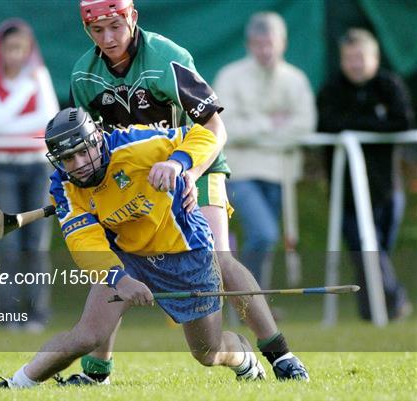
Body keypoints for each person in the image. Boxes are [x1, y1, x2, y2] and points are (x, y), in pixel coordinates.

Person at [63, 0, 308, 384]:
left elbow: (214, 127)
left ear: (132, 19)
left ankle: (280, 354)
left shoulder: (166, 57)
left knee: (218, 257)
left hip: (196, 163)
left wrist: (186, 170)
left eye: (115, 27)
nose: (108, 39)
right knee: (113, 261)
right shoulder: (84, 75)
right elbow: (90, 147)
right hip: (135, 181)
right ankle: (97, 372)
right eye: (98, 31)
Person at [0, 106, 268, 389]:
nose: (78, 163)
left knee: (208, 351)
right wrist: (119, 279)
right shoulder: (64, 188)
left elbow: (203, 135)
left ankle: (243, 357)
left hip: (186, 250)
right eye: (68, 158)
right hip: (129, 255)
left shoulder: (136, 144)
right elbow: (85, 243)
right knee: (86, 336)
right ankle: (15, 384)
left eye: (83, 151)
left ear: (97, 141)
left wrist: (178, 163)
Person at [212, 12, 316, 288]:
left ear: (283, 43)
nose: (266, 50)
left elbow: (304, 126)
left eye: (271, 43)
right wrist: (271, 123)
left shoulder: (295, 80)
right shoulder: (230, 76)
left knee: (262, 241)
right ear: (249, 44)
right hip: (240, 171)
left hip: (282, 173)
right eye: (259, 44)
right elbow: (225, 126)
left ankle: (251, 300)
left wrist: (253, 130)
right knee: (264, 234)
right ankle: (249, 298)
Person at [317, 28, 414, 321]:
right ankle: (393, 302)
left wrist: (356, 125)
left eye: (360, 57)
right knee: (364, 247)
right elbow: (328, 124)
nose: (355, 64)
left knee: (379, 249)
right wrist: (374, 121)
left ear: (374, 57)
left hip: (387, 188)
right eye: (349, 58)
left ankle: (374, 310)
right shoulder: (332, 89)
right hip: (345, 192)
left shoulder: (389, 85)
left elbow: (402, 121)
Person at [0, 18, 59, 332]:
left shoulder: (40, 76)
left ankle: (37, 314)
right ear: (0, 49)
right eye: (9, 48)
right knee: (8, 242)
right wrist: (24, 95)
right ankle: (9, 314)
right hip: (3, 166)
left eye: (21, 48)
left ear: (29, 50)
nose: (15, 55)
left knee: (35, 243)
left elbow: (46, 119)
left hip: (37, 166)